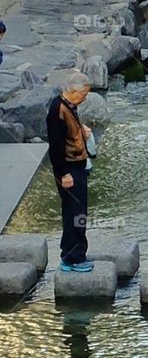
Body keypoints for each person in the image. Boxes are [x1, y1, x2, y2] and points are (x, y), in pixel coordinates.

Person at [46, 71, 94, 273]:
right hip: (69, 169)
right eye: (84, 94)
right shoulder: (58, 110)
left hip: (78, 165)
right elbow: (55, 147)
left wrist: (81, 130)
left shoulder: (69, 105)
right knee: (75, 214)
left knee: (78, 212)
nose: (84, 98)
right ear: (74, 91)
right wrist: (63, 173)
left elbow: (70, 129)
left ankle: (75, 253)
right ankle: (73, 258)